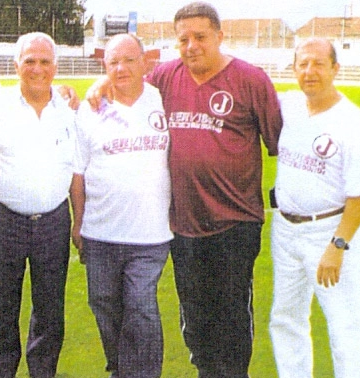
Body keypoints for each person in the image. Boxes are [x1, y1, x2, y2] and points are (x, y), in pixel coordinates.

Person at [86, 2, 283, 376]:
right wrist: (102, 82)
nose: (191, 46)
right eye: (183, 39)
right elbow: (127, 76)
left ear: (220, 37)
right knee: (194, 317)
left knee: (231, 317)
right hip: (182, 224)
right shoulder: (165, 77)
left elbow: (279, 144)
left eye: (200, 37)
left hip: (234, 222)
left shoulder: (251, 80)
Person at [268, 38, 360, 378]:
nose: (309, 71)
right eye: (302, 64)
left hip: (328, 235)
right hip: (285, 230)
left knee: (344, 324)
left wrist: (338, 245)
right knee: (286, 318)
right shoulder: (289, 106)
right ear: (294, 69)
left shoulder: (353, 124)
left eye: (318, 64)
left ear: (335, 69)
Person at [70, 34, 172, 378]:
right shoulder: (91, 109)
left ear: (145, 62)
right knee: (103, 305)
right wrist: (78, 222)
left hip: (151, 234)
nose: (121, 68)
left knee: (141, 307)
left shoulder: (164, 99)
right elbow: (78, 172)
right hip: (100, 234)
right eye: (113, 62)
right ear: (104, 66)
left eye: (129, 60)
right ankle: (120, 368)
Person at [0, 32, 74, 378]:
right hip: (6, 221)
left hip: (54, 220)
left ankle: (42, 372)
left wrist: (78, 222)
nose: (37, 68)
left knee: (50, 307)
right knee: (0, 305)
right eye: (29, 61)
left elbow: (77, 167)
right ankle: (1, 371)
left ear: (55, 66)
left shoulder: (69, 109)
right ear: (16, 64)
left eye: (44, 61)